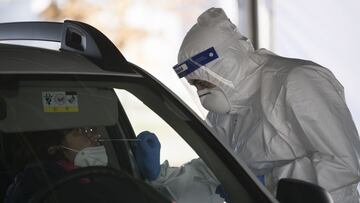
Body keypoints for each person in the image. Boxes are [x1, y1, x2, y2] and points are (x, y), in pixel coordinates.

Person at [159, 7, 360, 203]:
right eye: (194, 86)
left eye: (203, 83)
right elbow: (215, 170)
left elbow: (344, 163)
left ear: (224, 66)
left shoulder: (296, 81)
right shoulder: (226, 111)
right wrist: (159, 178)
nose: (201, 93)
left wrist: (269, 183)